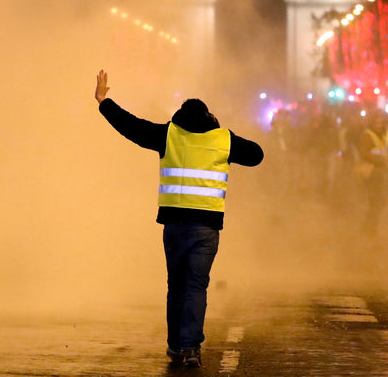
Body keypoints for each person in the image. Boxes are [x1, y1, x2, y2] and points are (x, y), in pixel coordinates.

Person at [94, 70, 264, 368]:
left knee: (176, 285)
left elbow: (131, 126)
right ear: (210, 118)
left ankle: (175, 346)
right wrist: (228, 137)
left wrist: (103, 101)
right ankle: (191, 349)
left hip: (174, 226)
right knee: (196, 287)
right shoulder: (224, 140)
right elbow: (257, 155)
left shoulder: (168, 135)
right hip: (207, 228)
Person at [356, 113, 388, 234]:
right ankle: (368, 229)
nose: (379, 126)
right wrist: (379, 160)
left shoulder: (383, 135)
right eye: (377, 123)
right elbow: (363, 153)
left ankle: (370, 228)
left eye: (381, 123)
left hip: (380, 172)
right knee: (376, 202)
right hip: (371, 173)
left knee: (379, 203)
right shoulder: (368, 135)